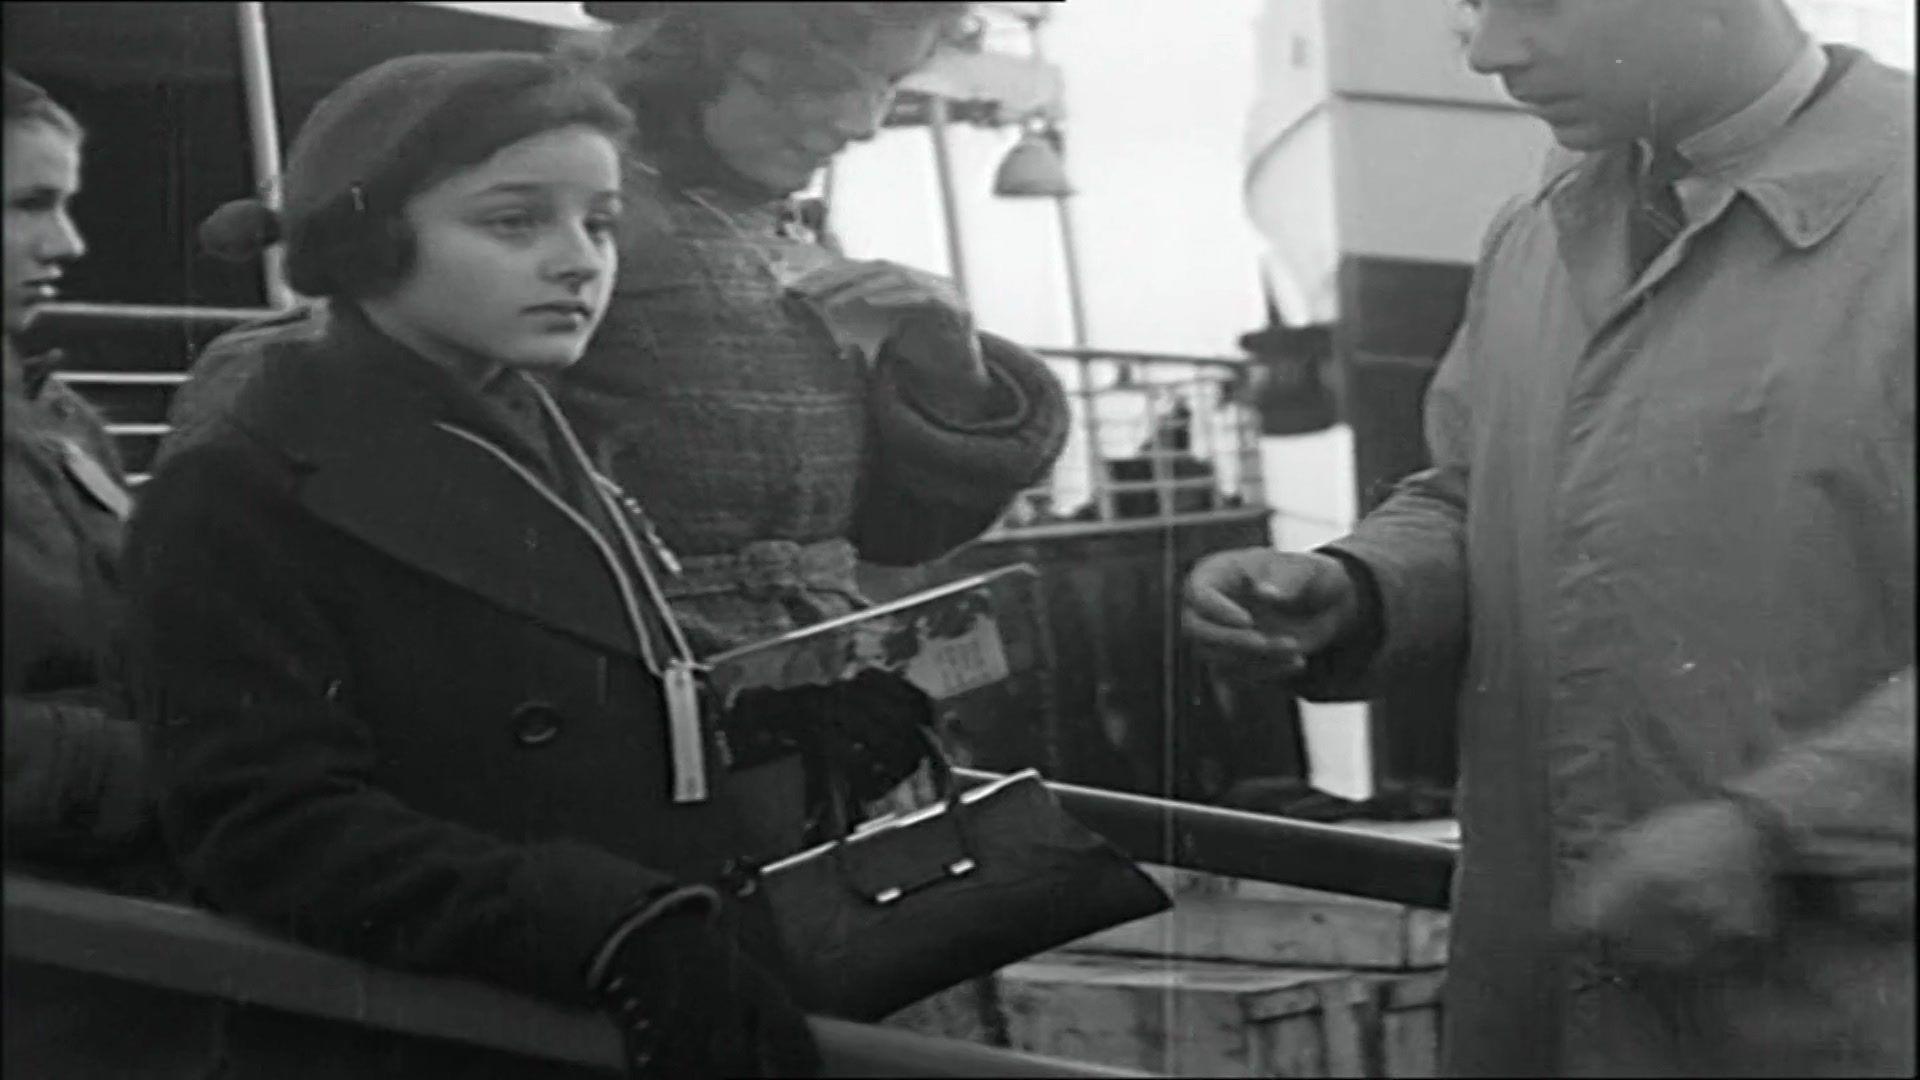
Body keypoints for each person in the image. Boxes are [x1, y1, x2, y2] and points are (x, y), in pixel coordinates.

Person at [1183, 2, 1913, 1076]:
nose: (1488, 52)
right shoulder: (1537, 223)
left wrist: (1780, 835)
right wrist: (1359, 588)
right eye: (1477, 9)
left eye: (1536, 3)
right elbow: (1474, 492)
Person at [127, 52, 820, 1078]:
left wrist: (799, 735)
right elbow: (263, 825)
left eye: (600, 221)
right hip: (443, 1037)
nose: (580, 260)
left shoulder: (536, 432)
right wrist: (606, 924)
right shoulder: (243, 485)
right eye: (514, 221)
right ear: (367, 237)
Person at [2, 68, 223, 1079]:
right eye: (28, 205)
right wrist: (183, 766)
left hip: (118, 927)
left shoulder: (62, 417)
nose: (70, 246)